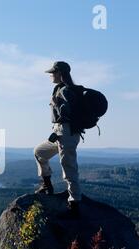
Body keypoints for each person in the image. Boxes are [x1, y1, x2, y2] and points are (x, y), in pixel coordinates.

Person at [34, 61, 83, 218]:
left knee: (68, 165)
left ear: (60, 74)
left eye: (52, 73)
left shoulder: (67, 90)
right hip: (59, 132)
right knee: (39, 152)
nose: (50, 75)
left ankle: (74, 201)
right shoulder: (59, 88)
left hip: (66, 132)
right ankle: (47, 186)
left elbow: (69, 111)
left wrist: (59, 108)